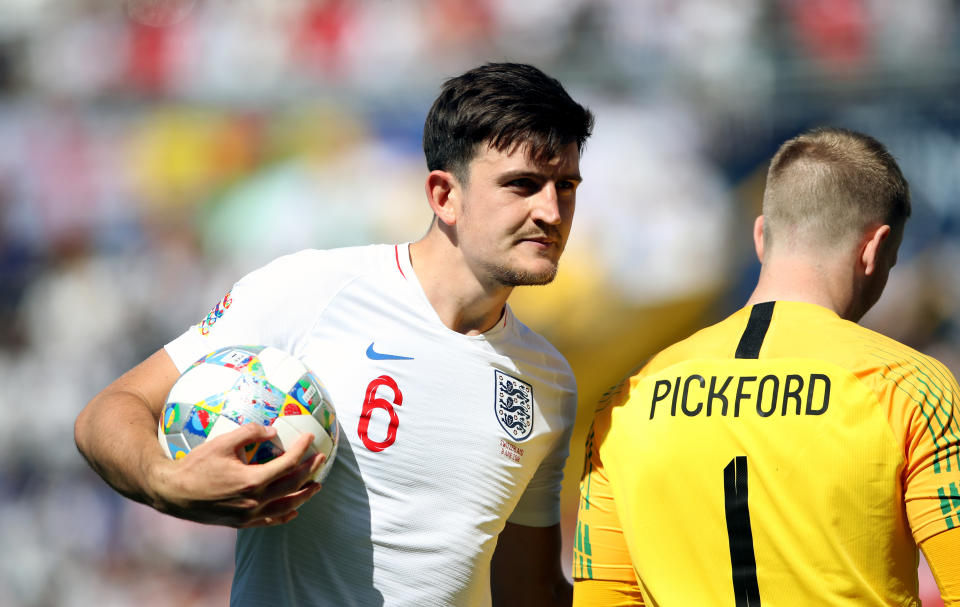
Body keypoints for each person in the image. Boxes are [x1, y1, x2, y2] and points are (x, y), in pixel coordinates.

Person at [75, 62, 594, 607]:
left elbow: (527, 590)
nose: (552, 211)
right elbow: (108, 411)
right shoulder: (310, 290)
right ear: (444, 196)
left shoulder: (548, 381)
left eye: (566, 186)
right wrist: (165, 481)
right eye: (523, 185)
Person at [572, 127, 960, 606]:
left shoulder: (628, 399)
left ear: (761, 236)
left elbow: (601, 598)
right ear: (874, 250)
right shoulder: (908, 385)